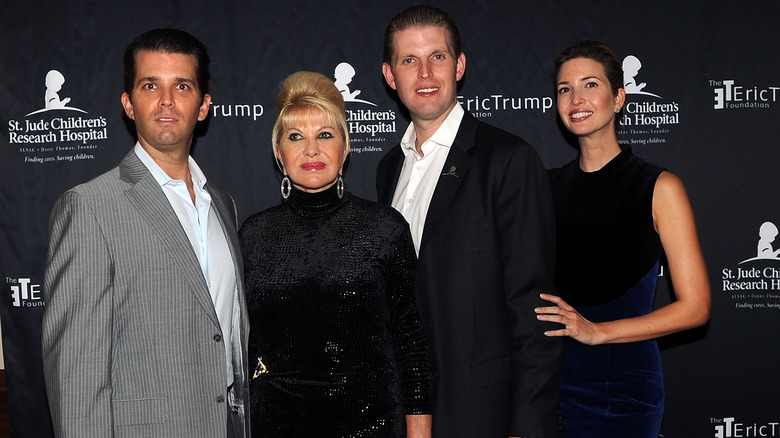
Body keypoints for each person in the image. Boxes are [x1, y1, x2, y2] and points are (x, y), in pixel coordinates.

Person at [42, 28, 249, 437]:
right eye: (150, 85)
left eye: (182, 86)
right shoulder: (89, 207)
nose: (166, 100)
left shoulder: (223, 204)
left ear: (204, 106)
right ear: (129, 104)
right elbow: (76, 373)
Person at [376, 6, 562, 438]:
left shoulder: (508, 160)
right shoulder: (388, 169)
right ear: (390, 76)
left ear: (459, 65)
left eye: (437, 57)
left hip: (485, 411)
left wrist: (527, 426)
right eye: (409, 60)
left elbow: (534, 309)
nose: (425, 72)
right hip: (407, 408)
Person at [239, 71, 432, 438]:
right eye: (296, 137)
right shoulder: (253, 234)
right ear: (279, 152)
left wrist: (419, 431)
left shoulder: (385, 227)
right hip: (278, 423)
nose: (311, 149)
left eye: (324, 135)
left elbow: (411, 340)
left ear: (345, 148)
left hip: (371, 422)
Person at [537, 40, 712, 437]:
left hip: (624, 388)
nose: (576, 99)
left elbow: (696, 307)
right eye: (565, 89)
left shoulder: (659, 186)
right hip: (551, 384)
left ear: (618, 98)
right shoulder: (544, 188)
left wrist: (598, 332)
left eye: (590, 85)